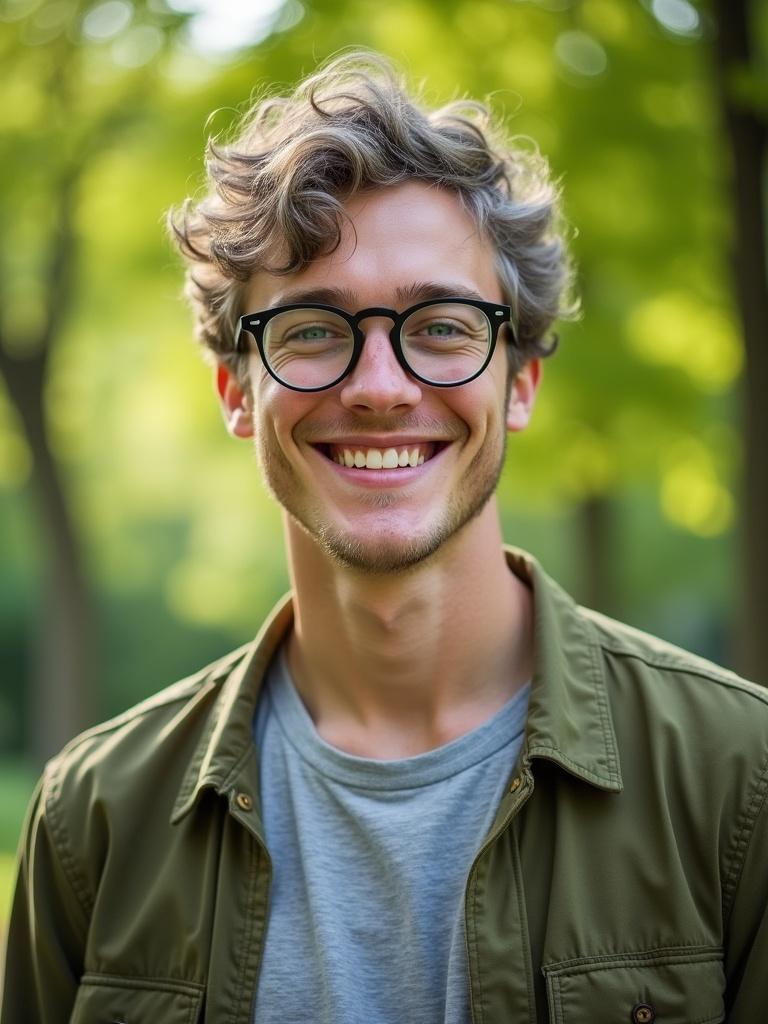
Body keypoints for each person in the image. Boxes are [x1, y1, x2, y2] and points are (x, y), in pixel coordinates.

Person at [2, 51, 767, 1024]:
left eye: (442, 325)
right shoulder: (91, 821)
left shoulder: (743, 783)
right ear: (238, 390)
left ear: (519, 379)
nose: (378, 385)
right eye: (314, 329)